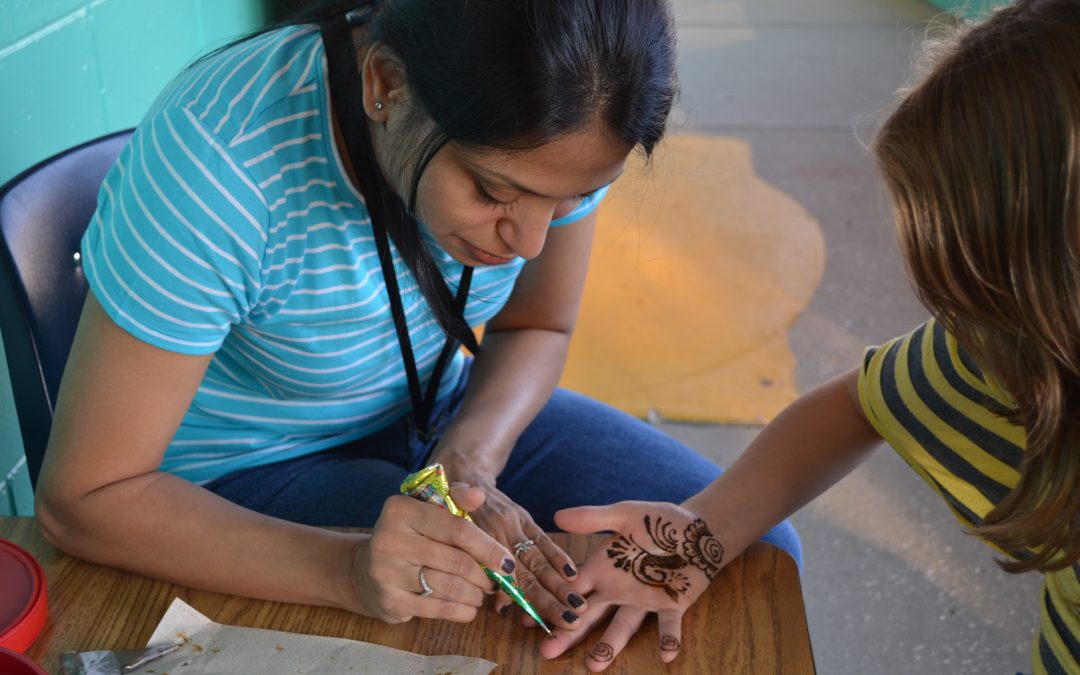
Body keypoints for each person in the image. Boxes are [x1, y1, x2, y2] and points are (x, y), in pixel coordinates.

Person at [33, 0, 801, 632]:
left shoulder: (573, 118)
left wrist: (470, 460)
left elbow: (536, 327)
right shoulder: (219, 164)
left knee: (743, 547)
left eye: (566, 201)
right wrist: (346, 569)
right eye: (495, 192)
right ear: (384, 86)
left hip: (437, 407)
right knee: (504, 615)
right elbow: (83, 499)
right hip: (244, 471)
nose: (532, 240)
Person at [539, 0, 1080, 671]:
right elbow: (861, 404)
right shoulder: (1009, 354)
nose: (959, 336)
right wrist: (707, 530)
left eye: (982, 297)